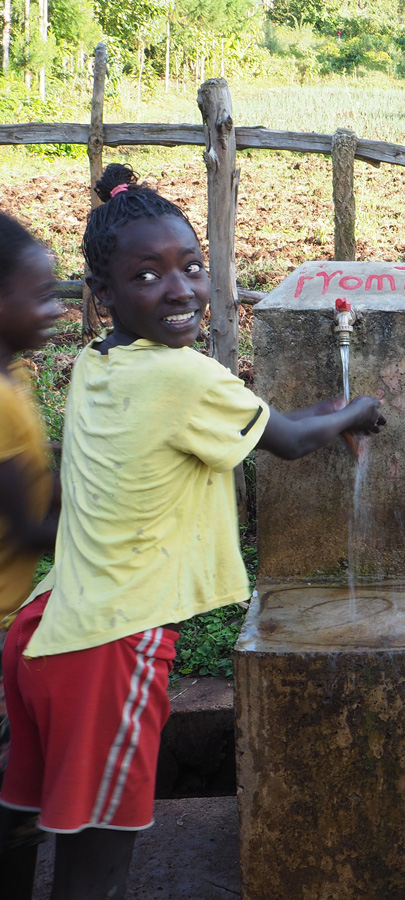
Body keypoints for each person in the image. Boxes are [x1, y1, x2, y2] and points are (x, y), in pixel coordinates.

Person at [0, 164, 385, 900]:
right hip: (110, 644)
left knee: (46, 835)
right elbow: (289, 441)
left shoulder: (97, 363)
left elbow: (246, 422)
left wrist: (319, 413)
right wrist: (355, 410)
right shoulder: (184, 378)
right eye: (149, 276)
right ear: (103, 296)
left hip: (46, 630)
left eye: (192, 267)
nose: (179, 290)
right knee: (96, 868)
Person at [0, 211, 63, 900]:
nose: (55, 310)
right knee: (13, 807)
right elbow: (29, 527)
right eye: (41, 296)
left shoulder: (13, 378)